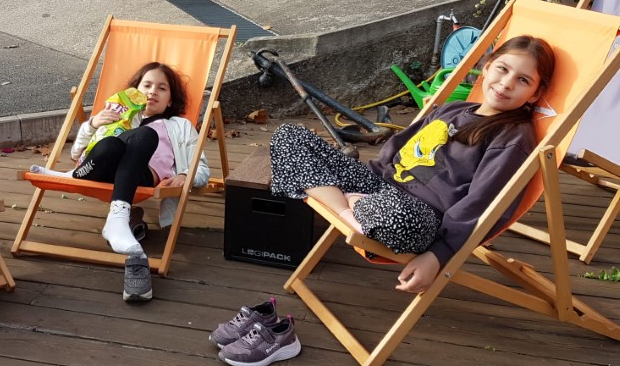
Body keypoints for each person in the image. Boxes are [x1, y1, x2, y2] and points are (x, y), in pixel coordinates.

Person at [269, 35, 555, 294]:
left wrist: (439, 255)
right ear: (487, 66)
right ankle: (350, 210)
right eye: (503, 69)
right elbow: (397, 150)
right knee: (289, 136)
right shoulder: (453, 109)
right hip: (381, 187)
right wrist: (362, 181)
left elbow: (484, 203)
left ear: (535, 93)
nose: (506, 83)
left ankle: (346, 201)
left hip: (423, 216)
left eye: (523, 80)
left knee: (403, 219)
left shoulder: (513, 137)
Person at [70, 62, 210, 301]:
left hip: (142, 177)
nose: (152, 91)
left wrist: (186, 175)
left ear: (170, 100)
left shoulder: (180, 126)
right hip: (94, 169)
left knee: (145, 135)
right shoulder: (116, 115)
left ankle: (119, 217)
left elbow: (203, 169)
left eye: (162, 88)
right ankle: (119, 220)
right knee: (111, 144)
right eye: (147, 85)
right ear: (134, 91)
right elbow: (76, 154)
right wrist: (92, 124)